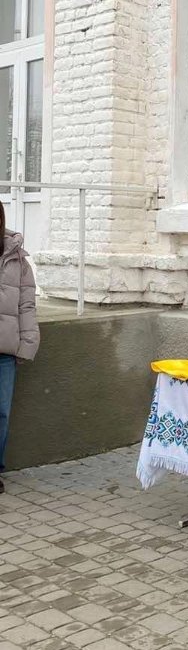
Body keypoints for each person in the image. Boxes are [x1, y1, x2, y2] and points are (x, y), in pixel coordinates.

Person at [0, 205, 39, 494]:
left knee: (1, 413)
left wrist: (27, 345)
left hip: (4, 352)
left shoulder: (17, 259)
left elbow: (27, 305)